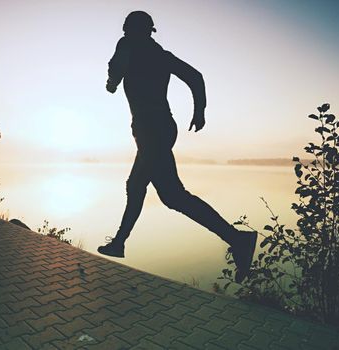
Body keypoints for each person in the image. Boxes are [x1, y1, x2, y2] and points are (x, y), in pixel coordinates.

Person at [97, 11, 257, 283]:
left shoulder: (129, 48)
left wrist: (200, 111)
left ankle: (119, 243)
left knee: (138, 186)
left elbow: (114, 78)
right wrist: (199, 112)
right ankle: (236, 239)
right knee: (172, 197)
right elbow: (196, 77)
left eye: (128, 29)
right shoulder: (161, 55)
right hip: (157, 130)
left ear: (139, 30)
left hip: (154, 131)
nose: (124, 32)